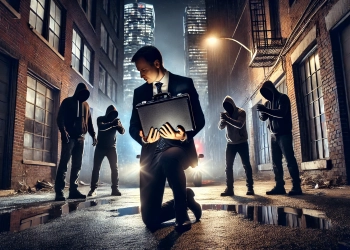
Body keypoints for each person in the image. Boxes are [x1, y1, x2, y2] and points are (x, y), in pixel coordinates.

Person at [129, 46, 205, 231]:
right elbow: (133, 126)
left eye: (144, 70)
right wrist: (143, 137)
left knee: (169, 157)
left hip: (177, 148)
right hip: (150, 154)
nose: (141, 75)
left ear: (157, 64)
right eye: (139, 71)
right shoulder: (139, 92)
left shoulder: (184, 83)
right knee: (150, 220)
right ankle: (185, 198)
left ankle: (181, 213)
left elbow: (200, 120)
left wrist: (183, 135)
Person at [257, 80, 302, 196]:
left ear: (272, 89)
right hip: (273, 135)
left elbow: (281, 113)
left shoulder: (283, 98)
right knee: (276, 163)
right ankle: (279, 186)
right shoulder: (267, 103)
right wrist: (261, 113)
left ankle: (296, 186)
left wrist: (265, 110)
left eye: (267, 91)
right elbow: (263, 118)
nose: (266, 94)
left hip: (284, 134)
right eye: (264, 93)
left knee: (290, 160)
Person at [55, 82, 97, 201]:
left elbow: (89, 123)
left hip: (80, 138)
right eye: (81, 92)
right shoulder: (68, 102)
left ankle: (73, 190)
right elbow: (60, 118)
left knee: (77, 165)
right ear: (77, 91)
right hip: (69, 138)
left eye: (85, 93)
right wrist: (63, 131)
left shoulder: (86, 106)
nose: (83, 95)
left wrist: (93, 135)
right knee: (64, 164)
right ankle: (59, 191)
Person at [218, 96, 254, 196]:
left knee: (246, 165)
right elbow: (220, 127)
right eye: (225, 107)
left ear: (232, 104)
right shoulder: (226, 114)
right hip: (230, 144)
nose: (227, 108)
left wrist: (227, 119)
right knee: (228, 167)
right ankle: (229, 189)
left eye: (228, 106)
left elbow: (240, 124)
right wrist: (222, 121)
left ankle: (250, 188)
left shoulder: (241, 112)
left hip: (242, 142)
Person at [88, 105, 125, 197]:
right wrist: (113, 124)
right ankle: (93, 189)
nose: (113, 115)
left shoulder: (116, 121)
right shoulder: (100, 119)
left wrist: (119, 125)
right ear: (107, 113)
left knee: (114, 168)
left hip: (111, 148)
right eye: (111, 113)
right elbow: (101, 127)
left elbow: (122, 131)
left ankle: (115, 189)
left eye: (114, 114)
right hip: (100, 147)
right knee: (96, 168)